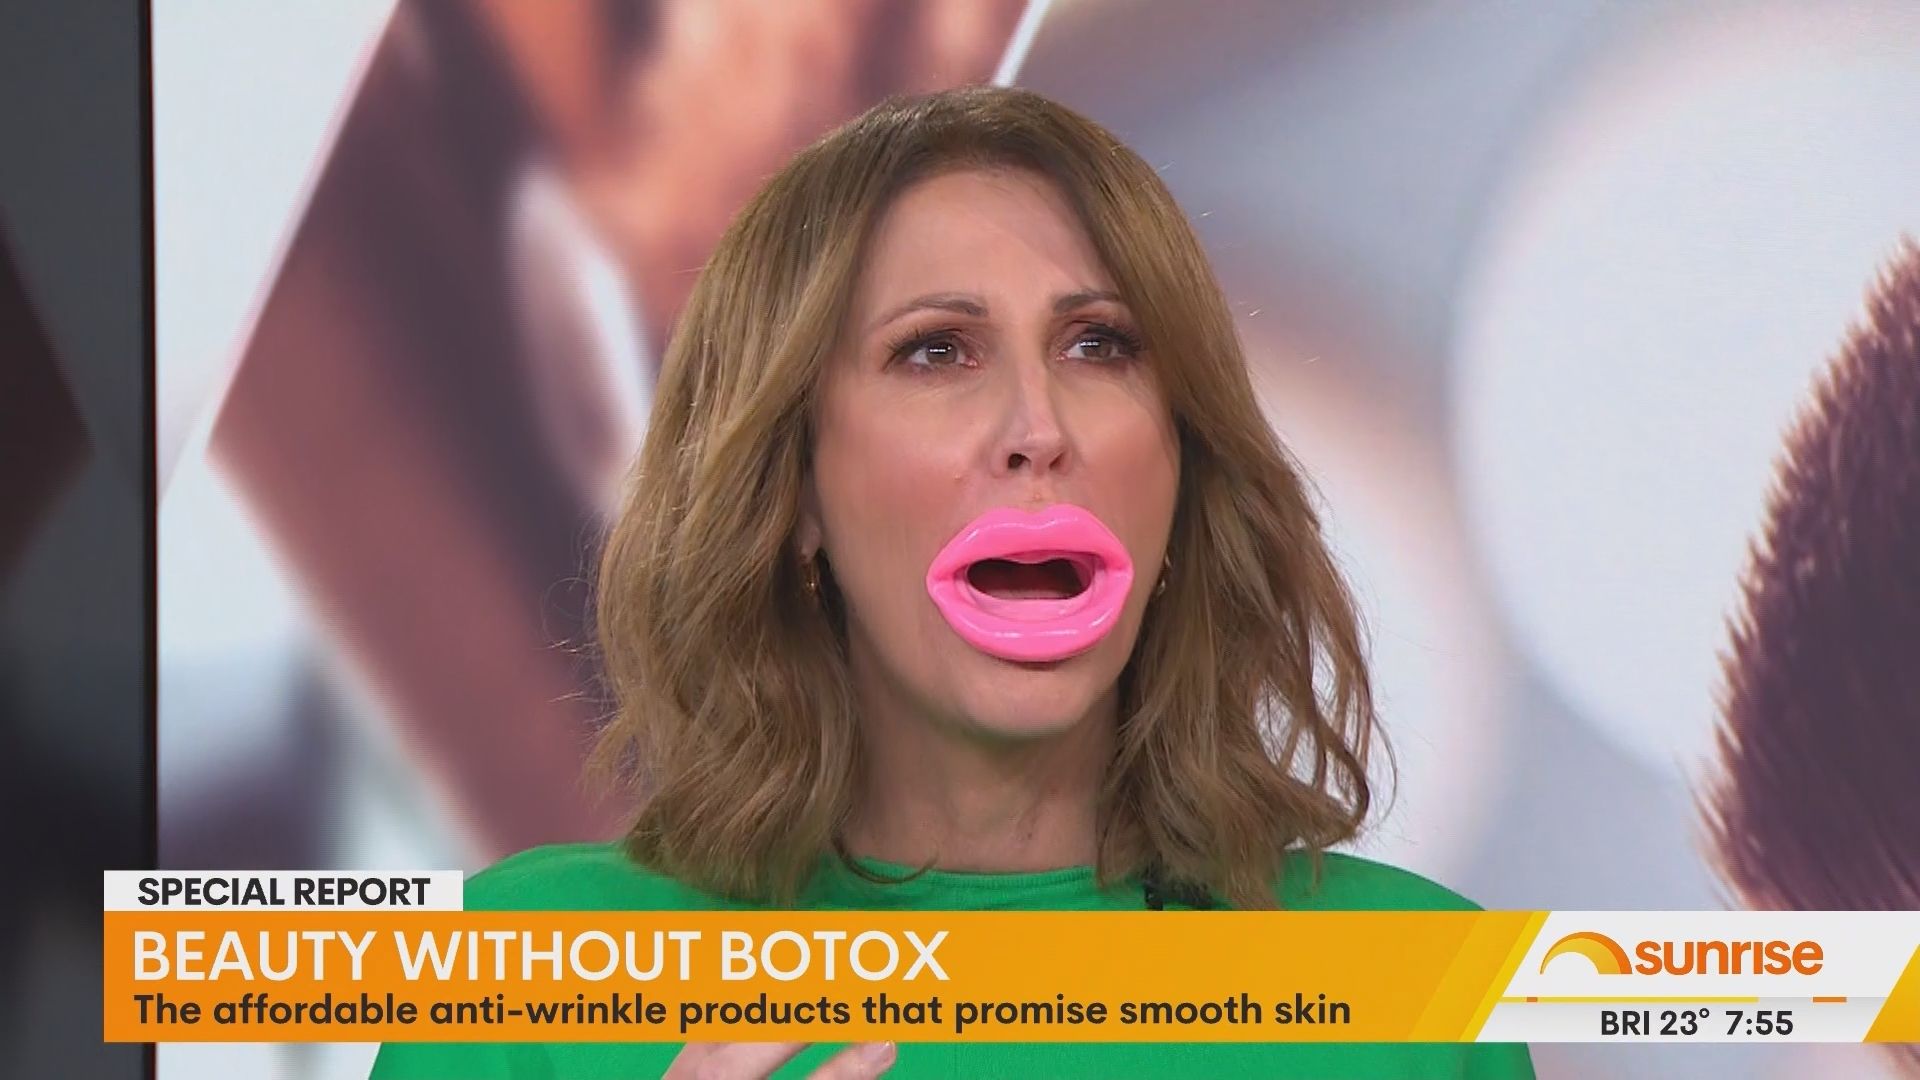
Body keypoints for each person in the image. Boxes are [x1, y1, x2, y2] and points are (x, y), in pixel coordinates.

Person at [371, 85, 1535, 1080]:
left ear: (1179, 469)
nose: (1037, 426)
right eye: (935, 350)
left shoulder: (1419, 994)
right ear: (795, 489)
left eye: (1100, 346)